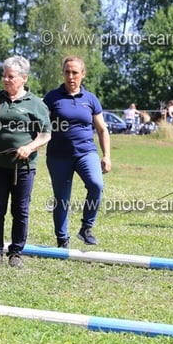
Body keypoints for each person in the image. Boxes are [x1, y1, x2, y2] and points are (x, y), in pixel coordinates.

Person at [0, 56, 51, 269]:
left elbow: (46, 134)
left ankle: (16, 252)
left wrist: (30, 147)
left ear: (24, 78)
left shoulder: (36, 104)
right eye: (4, 75)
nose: (5, 80)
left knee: (20, 211)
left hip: (24, 167)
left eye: (10, 76)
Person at [43, 56, 111, 248]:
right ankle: (62, 239)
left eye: (75, 72)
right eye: (67, 72)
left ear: (83, 74)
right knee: (62, 198)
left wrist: (106, 155)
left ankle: (86, 228)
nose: (71, 76)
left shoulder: (90, 99)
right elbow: (40, 125)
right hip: (58, 156)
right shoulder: (52, 97)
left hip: (86, 152)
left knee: (96, 184)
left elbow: (102, 129)